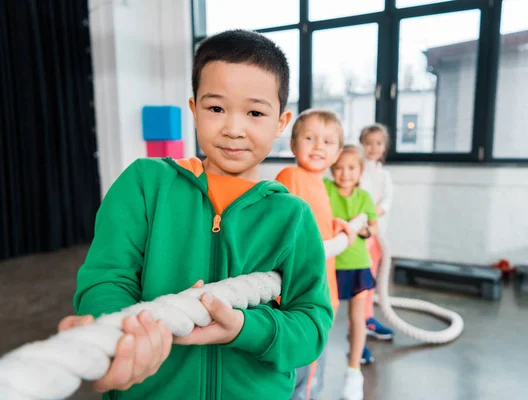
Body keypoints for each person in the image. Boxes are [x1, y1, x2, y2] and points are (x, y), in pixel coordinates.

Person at [57, 29, 333, 400]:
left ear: (281, 122)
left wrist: (244, 328)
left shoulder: (291, 216)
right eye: (216, 108)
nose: (233, 128)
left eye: (254, 112)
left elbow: (312, 324)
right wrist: (120, 334)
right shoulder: (145, 184)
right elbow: (107, 279)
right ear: (194, 109)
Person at [275, 108, 356, 400]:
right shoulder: (291, 175)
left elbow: (315, 223)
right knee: (302, 371)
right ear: (294, 145)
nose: (318, 146)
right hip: (301, 291)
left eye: (327, 141)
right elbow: (285, 224)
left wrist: (337, 225)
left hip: (324, 289)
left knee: (313, 365)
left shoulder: (322, 186)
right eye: (309, 138)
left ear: (337, 153)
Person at [324, 145, 379, 400]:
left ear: (360, 171)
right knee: (325, 317)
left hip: (357, 265)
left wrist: (363, 228)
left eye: (351, 168)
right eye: (339, 168)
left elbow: (373, 229)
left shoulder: (364, 198)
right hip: (330, 265)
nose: (344, 173)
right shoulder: (326, 189)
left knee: (357, 319)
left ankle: (354, 371)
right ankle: (313, 371)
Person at [358, 124, 395, 354]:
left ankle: (368, 319)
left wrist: (373, 215)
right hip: (360, 237)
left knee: (370, 282)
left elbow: (386, 203)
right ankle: (357, 333)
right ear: (362, 144)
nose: (373, 148)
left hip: (378, 238)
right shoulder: (357, 171)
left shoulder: (385, 175)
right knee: (360, 285)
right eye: (368, 143)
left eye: (378, 143)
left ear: (384, 147)